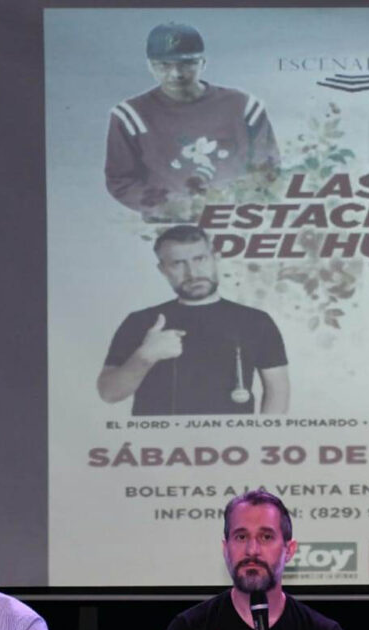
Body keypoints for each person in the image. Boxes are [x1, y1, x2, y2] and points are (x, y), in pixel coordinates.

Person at [98, 225, 290, 415]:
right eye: (178, 263)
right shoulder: (140, 321)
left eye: (200, 259)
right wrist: (145, 356)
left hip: (230, 442)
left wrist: (260, 439)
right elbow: (109, 394)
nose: (193, 273)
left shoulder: (256, 321)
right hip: (158, 443)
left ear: (215, 258)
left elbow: (277, 391)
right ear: (163, 269)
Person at [105, 22, 281, 221]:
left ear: (203, 63)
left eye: (187, 63)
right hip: (168, 226)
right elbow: (120, 180)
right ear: (150, 66)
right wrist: (169, 205)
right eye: (164, 65)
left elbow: (268, 167)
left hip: (235, 219)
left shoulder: (244, 106)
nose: (176, 74)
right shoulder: (130, 115)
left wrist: (234, 203)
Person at [159, 490, 354, 630]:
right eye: (241, 537)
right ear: (225, 549)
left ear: (289, 550)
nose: (252, 550)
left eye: (266, 537)